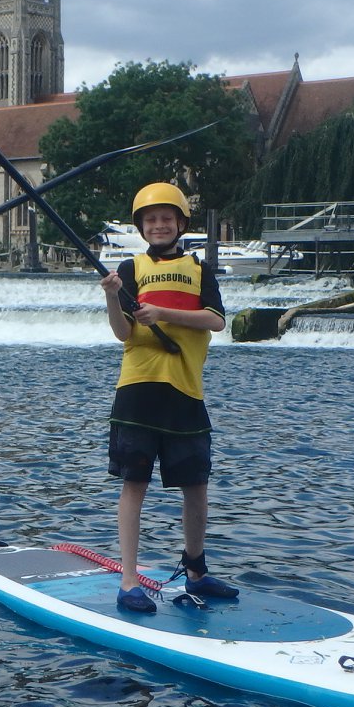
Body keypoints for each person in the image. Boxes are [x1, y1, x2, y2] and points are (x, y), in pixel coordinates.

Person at [98, 181, 239, 613]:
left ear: (180, 223)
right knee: (134, 484)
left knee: (196, 485)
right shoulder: (131, 268)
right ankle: (128, 581)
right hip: (138, 391)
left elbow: (215, 321)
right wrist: (112, 297)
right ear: (141, 226)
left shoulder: (200, 271)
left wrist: (162, 313)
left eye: (166, 218)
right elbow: (122, 332)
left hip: (185, 391)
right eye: (150, 219)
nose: (158, 225)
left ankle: (196, 571)